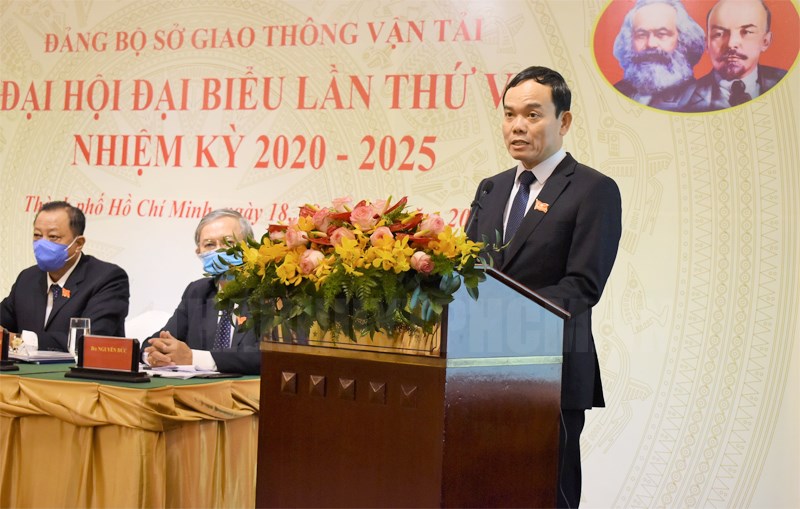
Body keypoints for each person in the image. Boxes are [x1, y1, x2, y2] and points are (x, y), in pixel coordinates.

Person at [466, 66, 622, 508]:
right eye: (509, 114)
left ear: (563, 121)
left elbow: (582, 286)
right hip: (479, 372)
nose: (517, 126)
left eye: (532, 115)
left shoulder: (593, 190)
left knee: (547, 493)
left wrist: (505, 314)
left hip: (551, 370)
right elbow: (468, 271)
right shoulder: (492, 188)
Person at [0, 201, 130, 351]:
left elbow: (90, 341)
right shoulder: (28, 278)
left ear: (78, 243)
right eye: (37, 235)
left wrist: (19, 341)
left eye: (53, 236)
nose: (42, 243)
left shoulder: (107, 278)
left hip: (82, 366)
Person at [145, 208, 260, 374]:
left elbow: (270, 356)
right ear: (199, 252)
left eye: (229, 242)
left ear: (250, 246)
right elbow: (157, 341)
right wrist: (154, 355)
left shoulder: (273, 293)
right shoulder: (197, 292)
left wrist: (194, 358)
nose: (219, 250)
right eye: (210, 245)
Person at [677, 0, 787, 112]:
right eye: (719, 34)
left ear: (765, 41)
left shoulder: (789, 84)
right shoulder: (682, 101)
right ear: (707, 44)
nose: (731, 43)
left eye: (747, 32)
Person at [612, 0, 705, 110]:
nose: (651, 44)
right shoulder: (616, 92)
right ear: (629, 41)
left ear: (684, 41)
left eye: (661, 34)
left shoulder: (700, 99)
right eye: (641, 35)